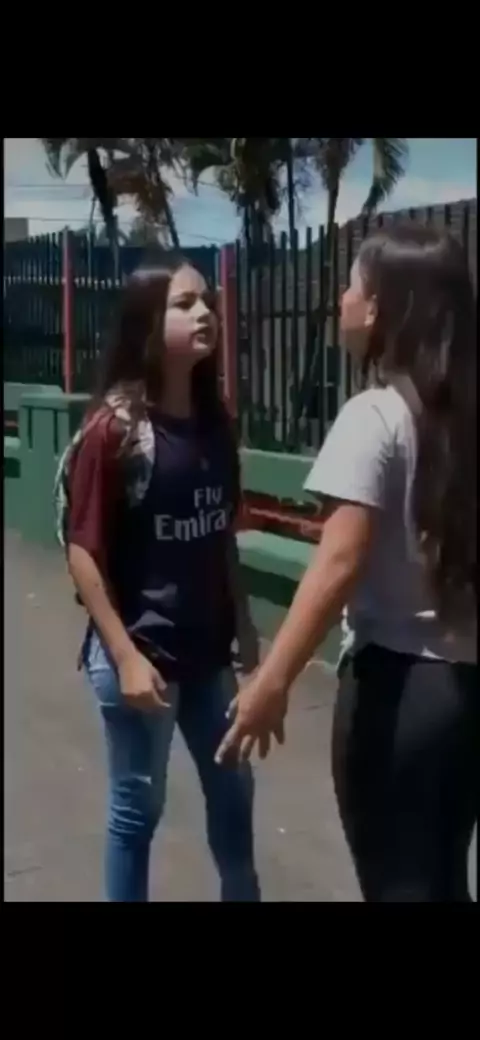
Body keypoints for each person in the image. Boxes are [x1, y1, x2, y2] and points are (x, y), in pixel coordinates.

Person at [217, 225, 478, 903]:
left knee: (398, 884)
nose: (341, 298)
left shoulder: (374, 417)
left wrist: (272, 680)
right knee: (445, 876)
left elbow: (338, 562)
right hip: (465, 690)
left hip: (398, 688)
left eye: (353, 285)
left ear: (383, 305)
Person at [65, 257, 261, 902]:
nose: (205, 314)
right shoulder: (115, 430)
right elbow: (83, 552)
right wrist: (124, 657)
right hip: (141, 659)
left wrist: (244, 621)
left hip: (208, 658)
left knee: (234, 795)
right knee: (136, 812)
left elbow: (221, 531)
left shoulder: (214, 423)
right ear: (148, 323)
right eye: (184, 304)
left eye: (207, 302)